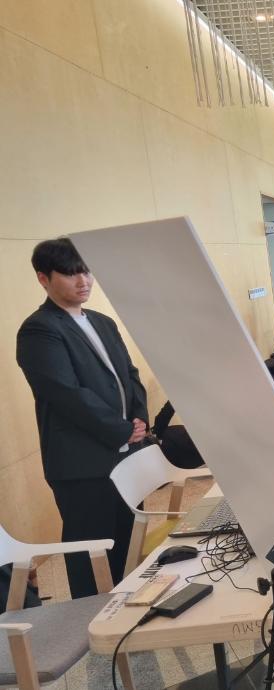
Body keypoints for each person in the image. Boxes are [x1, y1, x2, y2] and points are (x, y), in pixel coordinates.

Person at [16, 238, 148, 598]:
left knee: (130, 544)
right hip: (83, 464)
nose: (83, 281)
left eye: (87, 271)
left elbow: (129, 375)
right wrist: (122, 429)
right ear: (43, 279)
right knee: (93, 553)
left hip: (127, 453)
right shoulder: (39, 329)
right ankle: (92, 619)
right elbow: (66, 394)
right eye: (71, 273)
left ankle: (128, 611)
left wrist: (139, 418)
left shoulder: (102, 322)